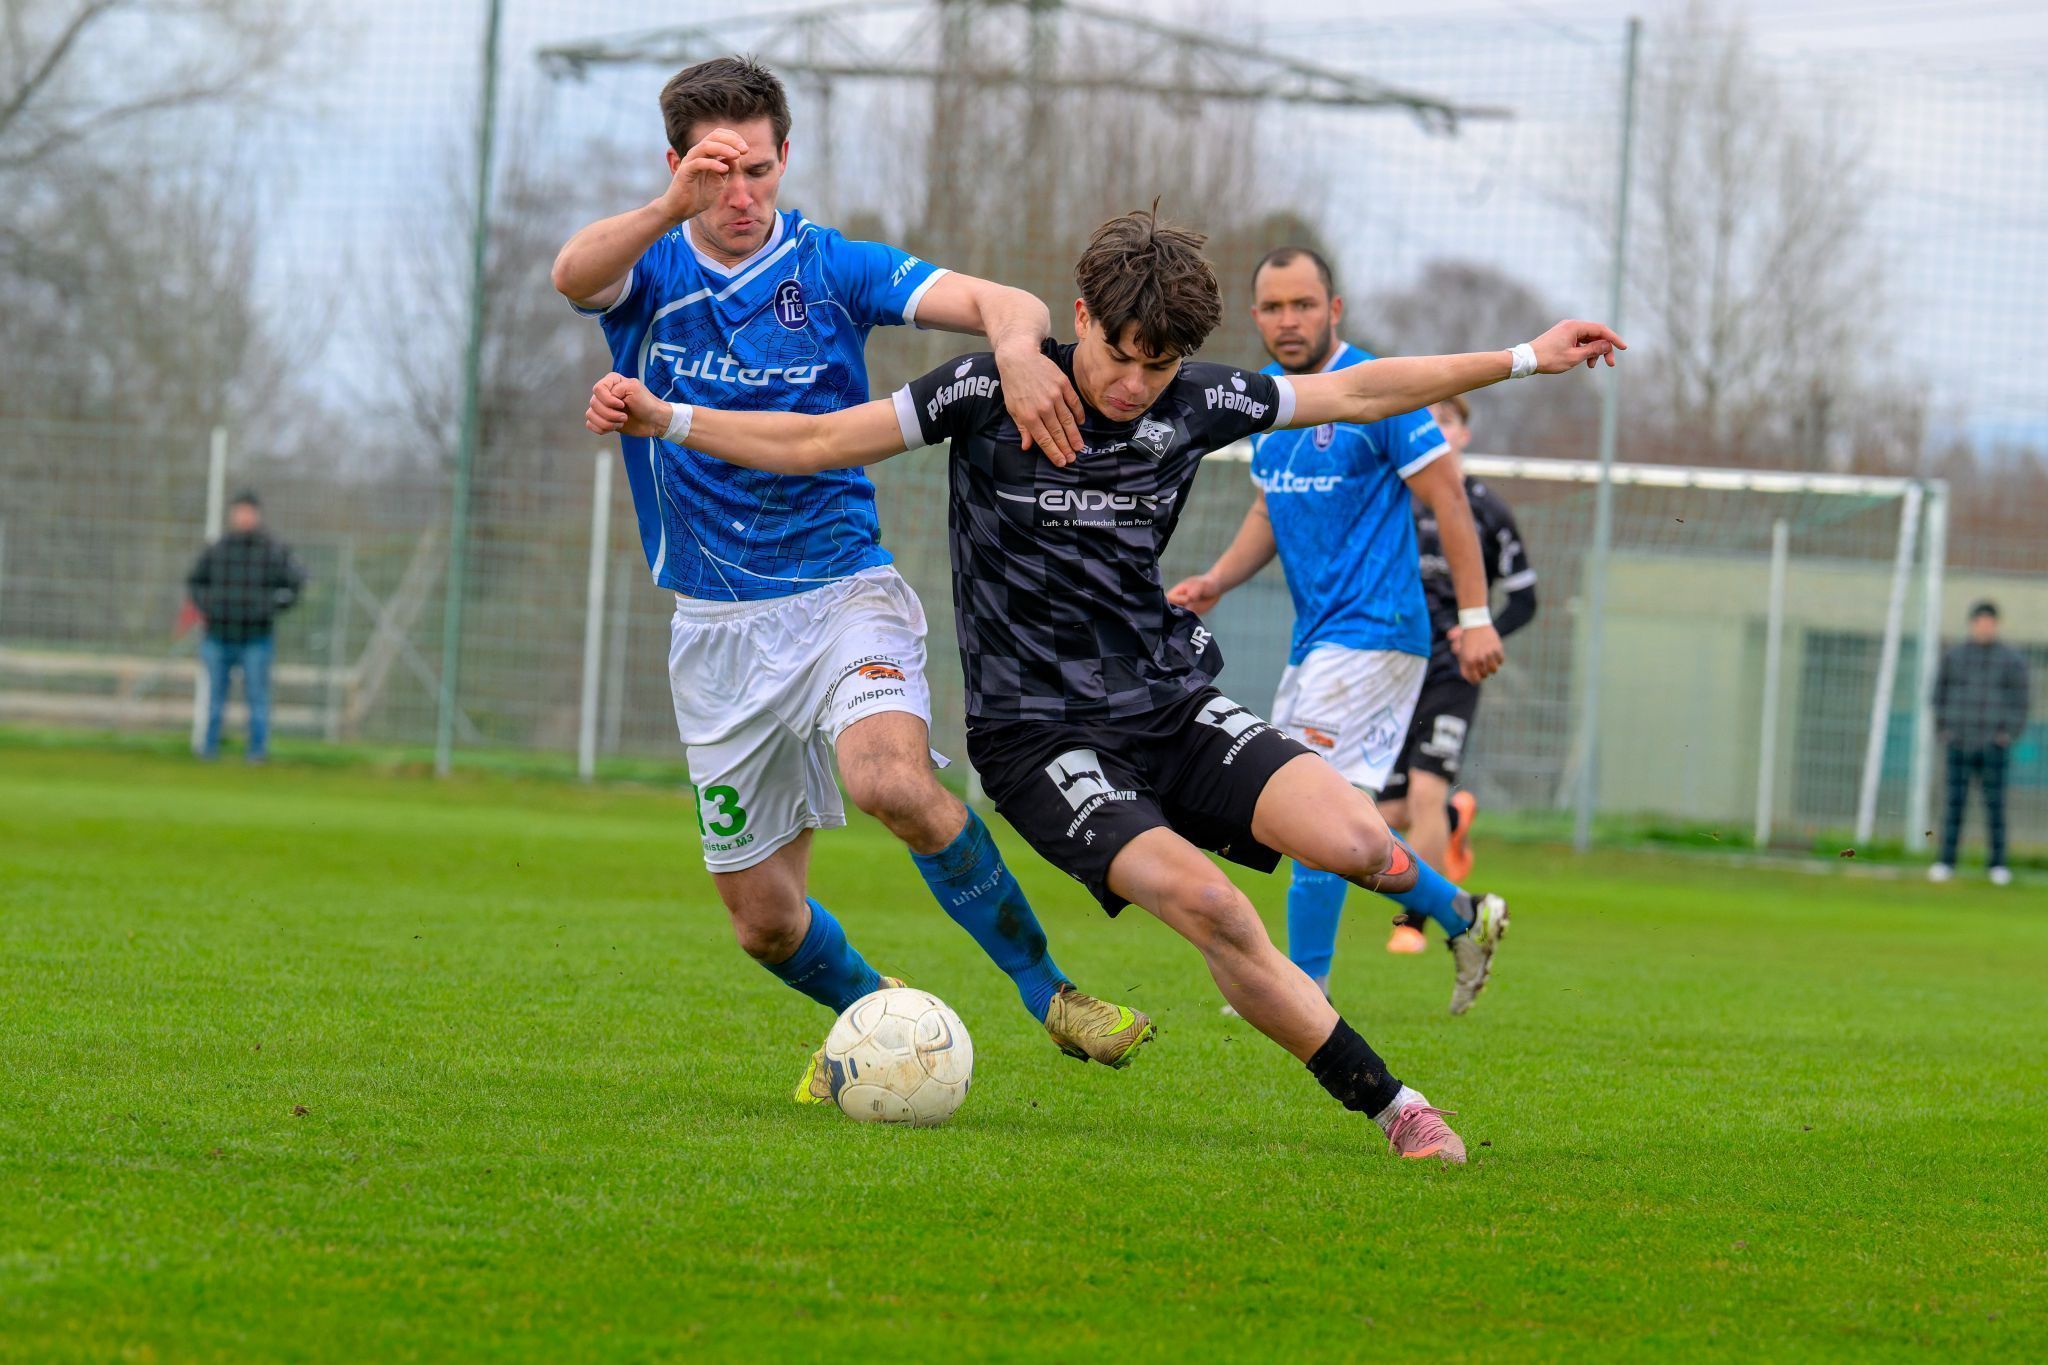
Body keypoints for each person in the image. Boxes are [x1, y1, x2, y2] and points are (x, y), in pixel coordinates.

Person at [584, 207, 1622, 1162]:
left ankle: (1452, 908)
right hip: (1038, 737)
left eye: (1156, 366)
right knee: (1212, 905)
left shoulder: (1200, 401)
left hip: (1166, 701)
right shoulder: (984, 390)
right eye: (1118, 356)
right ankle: (1396, 1107)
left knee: (1355, 840)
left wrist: (1525, 358)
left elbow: (1358, 391)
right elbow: (817, 440)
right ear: (1079, 317)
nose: (1132, 384)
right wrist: (666, 419)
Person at [551, 56, 1149, 1103]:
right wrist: (668, 207)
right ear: (678, 167)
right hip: (715, 629)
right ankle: (882, 1015)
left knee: (890, 782)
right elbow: (571, 275)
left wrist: (1017, 349)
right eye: (716, 174)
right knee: (764, 924)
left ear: (785, 159)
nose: (741, 195)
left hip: (842, 594)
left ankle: (1052, 994)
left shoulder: (830, 267)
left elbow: (1001, 298)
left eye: (759, 170)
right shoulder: (648, 271)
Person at [1165, 248, 1510, 1011]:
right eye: (1274, 307)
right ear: (1255, 317)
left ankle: (1305, 991)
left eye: (1304, 305)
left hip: (1377, 631)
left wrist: (1477, 616)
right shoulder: (1272, 402)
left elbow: (1450, 496)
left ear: (1334, 309)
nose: (1289, 320)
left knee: (1309, 810)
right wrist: (1219, 579)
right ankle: (1463, 913)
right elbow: (1269, 507)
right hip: (1320, 639)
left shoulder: (1378, 390)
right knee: (1329, 820)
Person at [1378, 395, 1538, 952]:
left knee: (1424, 792)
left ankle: (1413, 925)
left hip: (1453, 670)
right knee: (1380, 814)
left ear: (1464, 436)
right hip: (1392, 666)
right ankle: (1451, 818)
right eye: (1425, 421)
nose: (1435, 430)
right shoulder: (1393, 496)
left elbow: (1525, 599)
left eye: (1446, 421)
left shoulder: (1486, 509)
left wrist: (1480, 630)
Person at [185, 490, 305, 763]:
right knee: (215, 697)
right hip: (218, 634)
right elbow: (195, 582)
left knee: (257, 697)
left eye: (248, 512)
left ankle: (257, 752)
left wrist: (269, 607)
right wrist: (210, 607)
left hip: (256, 636)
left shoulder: (272, 550)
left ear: (257, 515)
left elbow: (295, 584)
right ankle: (208, 749)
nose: (244, 517)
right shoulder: (218, 549)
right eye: (240, 511)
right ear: (232, 515)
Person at [1931, 601, 2030, 887]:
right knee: (1954, 804)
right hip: (1960, 742)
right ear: (1972, 624)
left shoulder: (2010, 659)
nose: (1985, 628)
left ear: (1996, 625)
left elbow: (2021, 699)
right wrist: (1945, 730)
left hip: (1993, 745)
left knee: (1995, 806)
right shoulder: (1955, 656)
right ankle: (1946, 862)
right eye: (1980, 622)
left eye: (1990, 623)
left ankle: (1998, 865)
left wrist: (2007, 734)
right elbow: (1938, 694)